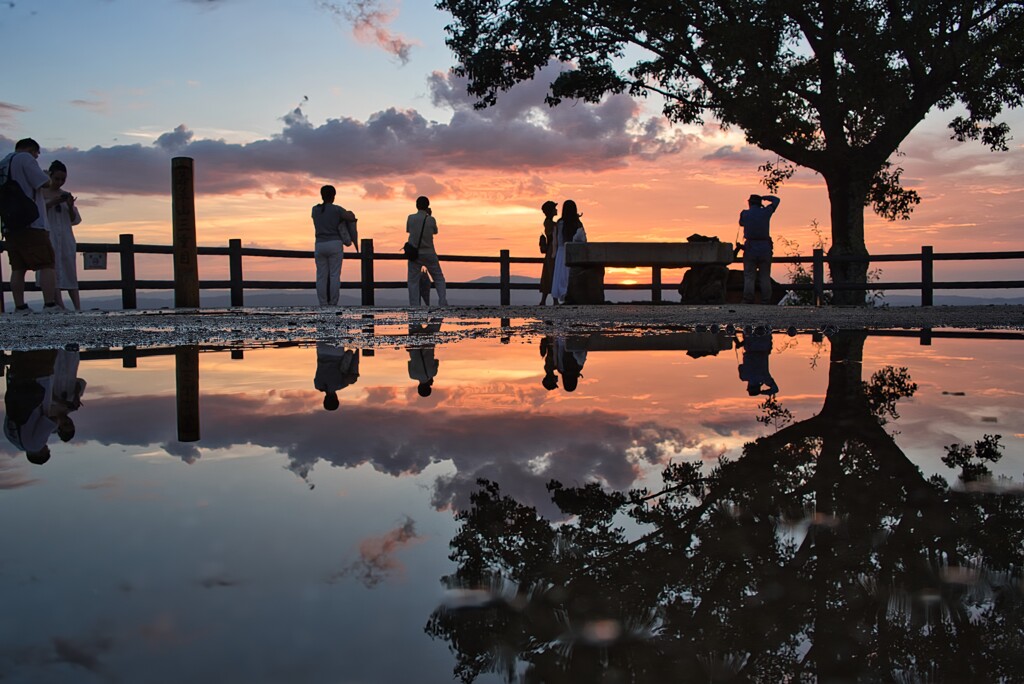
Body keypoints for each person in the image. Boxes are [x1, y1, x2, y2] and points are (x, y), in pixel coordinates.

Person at [1, 138, 58, 313]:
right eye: (37, 154)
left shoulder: (3, 163)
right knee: (46, 263)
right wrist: (46, 174)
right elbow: (44, 183)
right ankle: (49, 304)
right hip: (31, 221)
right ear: (33, 150)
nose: (36, 157)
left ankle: (20, 306)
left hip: (10, 223)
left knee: (18, 267)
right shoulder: (26, 159)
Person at [40, 160, 83, 311]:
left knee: (70, 271)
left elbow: (75, 220)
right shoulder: (40, 194)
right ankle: (60, 305)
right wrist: (53, 202)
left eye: (62, 179)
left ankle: (77, 306)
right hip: (49, 236)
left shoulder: (65, 195)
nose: (59, 182)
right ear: (50, 176)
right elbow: (38, 214)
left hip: (65, 237)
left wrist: (70, 206)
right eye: (57, 178)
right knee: (52, 270)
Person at [3, 349, 58, 464]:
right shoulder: (12, 438)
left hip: (39, 381)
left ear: (42, 454)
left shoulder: (35, 445)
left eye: (47, 449)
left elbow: (50, 422)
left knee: (46, 346)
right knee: (20, 348)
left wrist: (57, 425)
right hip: (17, 379)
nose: (46, 446)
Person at [311, 185, 357, 307]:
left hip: (319, 244)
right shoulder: (337, 210)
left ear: (322, 195)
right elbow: (351, 218)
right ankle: (333, 303)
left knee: (321, 276)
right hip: (335, 244)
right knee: (334, 275)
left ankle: (323, 303)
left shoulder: (315, 210)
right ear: (333, 196)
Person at [738, 193, 781, 304]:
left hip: (750, 248)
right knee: (765, 276)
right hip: (765, 248)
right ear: (759, 203)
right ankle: (766, 300)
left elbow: (741, 223)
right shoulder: (765, 212)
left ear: (749, 203)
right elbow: (777, 200)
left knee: (749, 275)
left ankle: (748, 299)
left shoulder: (745, 214)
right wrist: (765, 198)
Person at [406, 197, 448, 307]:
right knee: (438, 277)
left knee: (413, 280)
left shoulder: (410, 218)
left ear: (416, 205)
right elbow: (435, 231)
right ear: (428, 206)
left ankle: (414, 305)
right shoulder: (431, 219)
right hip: (429, 252)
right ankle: (442, 300)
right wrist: (429, 215)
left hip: (414, 254)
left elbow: (409, 230)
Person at [550, 199, 586, 304]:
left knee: (559, 275)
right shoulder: (578, 223)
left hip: (561, 252)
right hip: (573, 251)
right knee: (570, 275)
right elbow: (583, 238)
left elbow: (555, 241)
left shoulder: (559, 223)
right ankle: (570, 295)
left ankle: (556, 299)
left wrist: (553, 253)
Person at [313, 343, 360, 411]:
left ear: (336, 398)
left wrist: (357, 351)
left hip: (337, 352)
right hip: (322, 351)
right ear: (325, 399)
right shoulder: (317, 385)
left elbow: (352, 372)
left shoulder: (341, 384)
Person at [736, 327, 779, 396]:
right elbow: (740, 367)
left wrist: (762, 392)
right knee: (748, 328)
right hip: (749, 344)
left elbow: (775, 389)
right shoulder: (744, 377)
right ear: (749, 386)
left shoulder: (765, 378)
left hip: (765, 344)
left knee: (766, 327)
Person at [407, 320, 442, 397]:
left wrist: (430, 377)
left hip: (429, 341)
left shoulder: (433, 373)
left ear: (429, 386)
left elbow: (436, 361)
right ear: (418, 387)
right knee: (414, 316)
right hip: (414, 342)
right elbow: (410, 362)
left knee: (437, 317)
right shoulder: (412, 375)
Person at [538, 200, 558, 305]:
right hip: (552, 250)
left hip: (551, 249)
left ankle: (544, 300)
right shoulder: (550, 223)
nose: (556, 210)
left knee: (548, 273)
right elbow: (552, 236)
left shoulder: (549, 222)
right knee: (552, 273)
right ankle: (554, 299)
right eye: (554, 208)